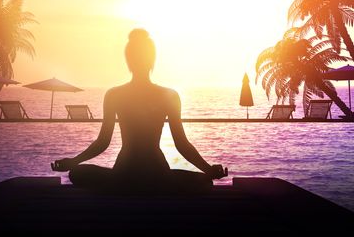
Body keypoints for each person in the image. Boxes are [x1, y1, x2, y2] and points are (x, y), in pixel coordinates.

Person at [52, 29, 227, 193]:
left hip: (123, 175)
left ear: (128, 60)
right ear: (152, 60)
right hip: (158, 175)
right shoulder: (169, 96)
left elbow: (102, 142)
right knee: (205, 182)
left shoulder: (114, 95)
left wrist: (73, 162)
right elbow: (181, 144)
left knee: (76, 173)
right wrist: (208, 170)